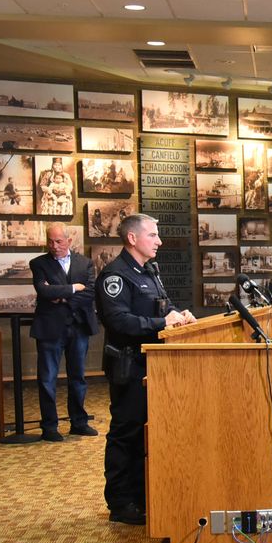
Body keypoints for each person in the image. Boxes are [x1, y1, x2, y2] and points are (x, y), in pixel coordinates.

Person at [96, 214, 196, 525]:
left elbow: (160, 306)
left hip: (151, 364)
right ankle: (121, 502)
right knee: (126, 433)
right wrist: (161, 323)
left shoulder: (148, 270)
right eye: (153, 235)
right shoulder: (116, 276)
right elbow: (119, 320)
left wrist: (178, 316)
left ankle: (141, 496)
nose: (159, 241)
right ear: (132, 239)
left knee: (144, 434)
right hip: (128, 365)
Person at [29, 222, 99, 442]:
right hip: (50, 328)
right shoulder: (38, 263)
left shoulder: (85, 263)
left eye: (58, 241)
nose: (54, 245)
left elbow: (89, 293)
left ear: (69, 241)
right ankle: (49, 426)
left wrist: (61, 298)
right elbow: (43, 290)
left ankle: (79, 422)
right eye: (50, 241)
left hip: (78, 327)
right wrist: (71, 288)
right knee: (47, 379)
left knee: (77, 377)